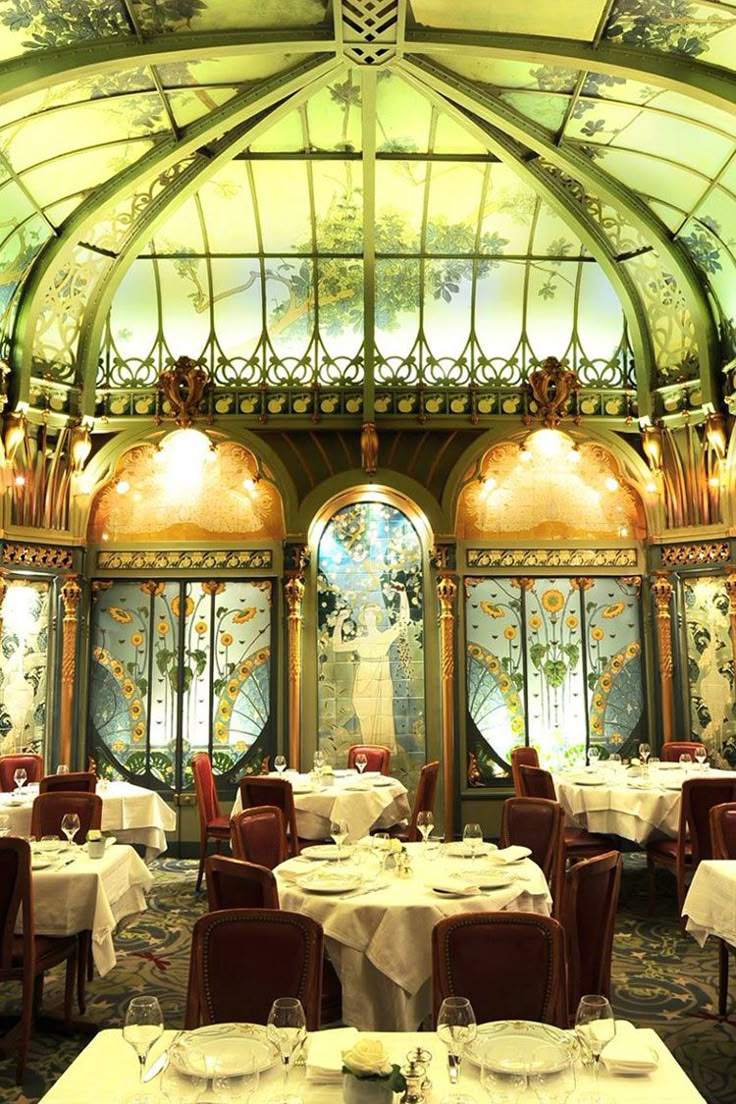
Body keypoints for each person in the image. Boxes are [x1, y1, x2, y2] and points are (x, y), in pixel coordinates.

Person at [332, 584, 410, 752]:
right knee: (365, 715)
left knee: (383, 717)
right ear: (363, 618)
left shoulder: (385, 637)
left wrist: (403, 594)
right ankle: (368, 750)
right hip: (363, 682)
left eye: (373, 614)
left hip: (381, 682)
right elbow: (337, 647)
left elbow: (403, 621)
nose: (370, 617)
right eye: (367, 614)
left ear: (377, 617)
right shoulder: (360, 640)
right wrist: (339, 621)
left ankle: (382, 751)